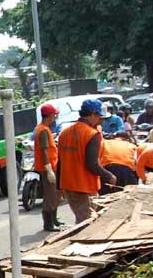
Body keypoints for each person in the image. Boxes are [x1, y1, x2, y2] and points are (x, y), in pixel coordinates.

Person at [57, 99, 117, 223]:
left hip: (69, 185)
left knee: (81, 219)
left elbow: (60, 161)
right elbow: (92, 164)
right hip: (84, 186)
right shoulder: (91, 134)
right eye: (100, 117)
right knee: (87, 224)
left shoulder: (64, 133)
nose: (102, 120)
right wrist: (109, 176)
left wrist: (59, 185)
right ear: (93, 114)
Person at [34, 103, 62, 232]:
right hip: (47, 167)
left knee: (54, 194)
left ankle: (54, 220)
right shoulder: (43, 130)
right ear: (50, 116)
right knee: (50, 196)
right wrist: (49, 169)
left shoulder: (44, 128)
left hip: (50, 165)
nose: (55, 117)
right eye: (54, 115)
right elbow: (44, 151)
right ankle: (48, 224)